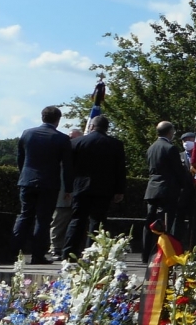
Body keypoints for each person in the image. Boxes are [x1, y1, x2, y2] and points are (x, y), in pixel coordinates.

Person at [13, 106, 73, 265]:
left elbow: (20, 158)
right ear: (58, 120)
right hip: (49, 183)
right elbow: (68, 166)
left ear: (42, 117)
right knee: (43, 220)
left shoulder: (27, 133)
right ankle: (37, 256)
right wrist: (68, 188)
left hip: (27, 180)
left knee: (25, 215)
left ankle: (13, 253)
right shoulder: (62, 139)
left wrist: (23, 175)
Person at [62, 115, 127, 259]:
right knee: (98, 222)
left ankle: (68, 253)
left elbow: (68, 168)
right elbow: (120, 169)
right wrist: (119, 190)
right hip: (104, 188)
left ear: (91, 126)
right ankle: (92, 253)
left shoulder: (77, 143)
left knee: (77, 219)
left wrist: (68, 187)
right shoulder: (115, 144)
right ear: (107, 128)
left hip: (80, 187)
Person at [143, 121, 192, 261]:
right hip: (167, 190)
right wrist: (186, 184)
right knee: (165, 224)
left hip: (152, 189)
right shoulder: (170, 148)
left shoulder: (151, 148)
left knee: (149, 222)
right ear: (169, 132)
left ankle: (146, 254)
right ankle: (161, 253)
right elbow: (178, 171)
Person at [49, 128, 83, 256]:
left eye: (73, 138)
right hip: (62, 193)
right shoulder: (61, 153)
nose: (70, 140)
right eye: (69, 137)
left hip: (77, 193)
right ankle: (55, 248)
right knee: (59, 221)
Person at [174, 131, 196, 245]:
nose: (187, 142)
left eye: (190, 139)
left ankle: (193, 247)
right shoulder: (178, 156)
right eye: (185, 140)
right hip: (182, 194)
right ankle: (176, 246)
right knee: (178, 221)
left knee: (194, 222)